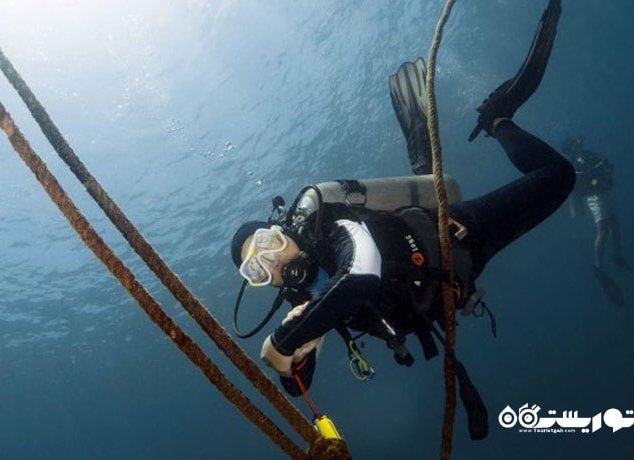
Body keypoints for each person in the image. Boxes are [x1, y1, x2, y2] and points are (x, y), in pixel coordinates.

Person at [229, 0, 567, 441]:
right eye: (257, 269)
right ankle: (422, 160)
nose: (272, 263)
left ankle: (496, 117)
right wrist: (298, 338)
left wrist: (291, 337)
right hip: (454, 283)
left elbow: (363, 271)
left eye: (268, 245)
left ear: (284, 230)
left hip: (457, 236)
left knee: (558, 177)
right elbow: (296, 386)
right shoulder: (309, 301)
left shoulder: (328, 229)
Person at [562, 136, 634, 307]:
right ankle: (598, 265)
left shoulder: (582, 157)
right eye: (575, 142)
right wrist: (601, 168)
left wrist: (603, 167)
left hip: (601, 193)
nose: (579, 141)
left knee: (614, 224)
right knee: (604, 229)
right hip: (595, 196)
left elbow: (599, 167)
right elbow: (590, 173)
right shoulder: (577, 160)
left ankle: (616, 255)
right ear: (573, 147)